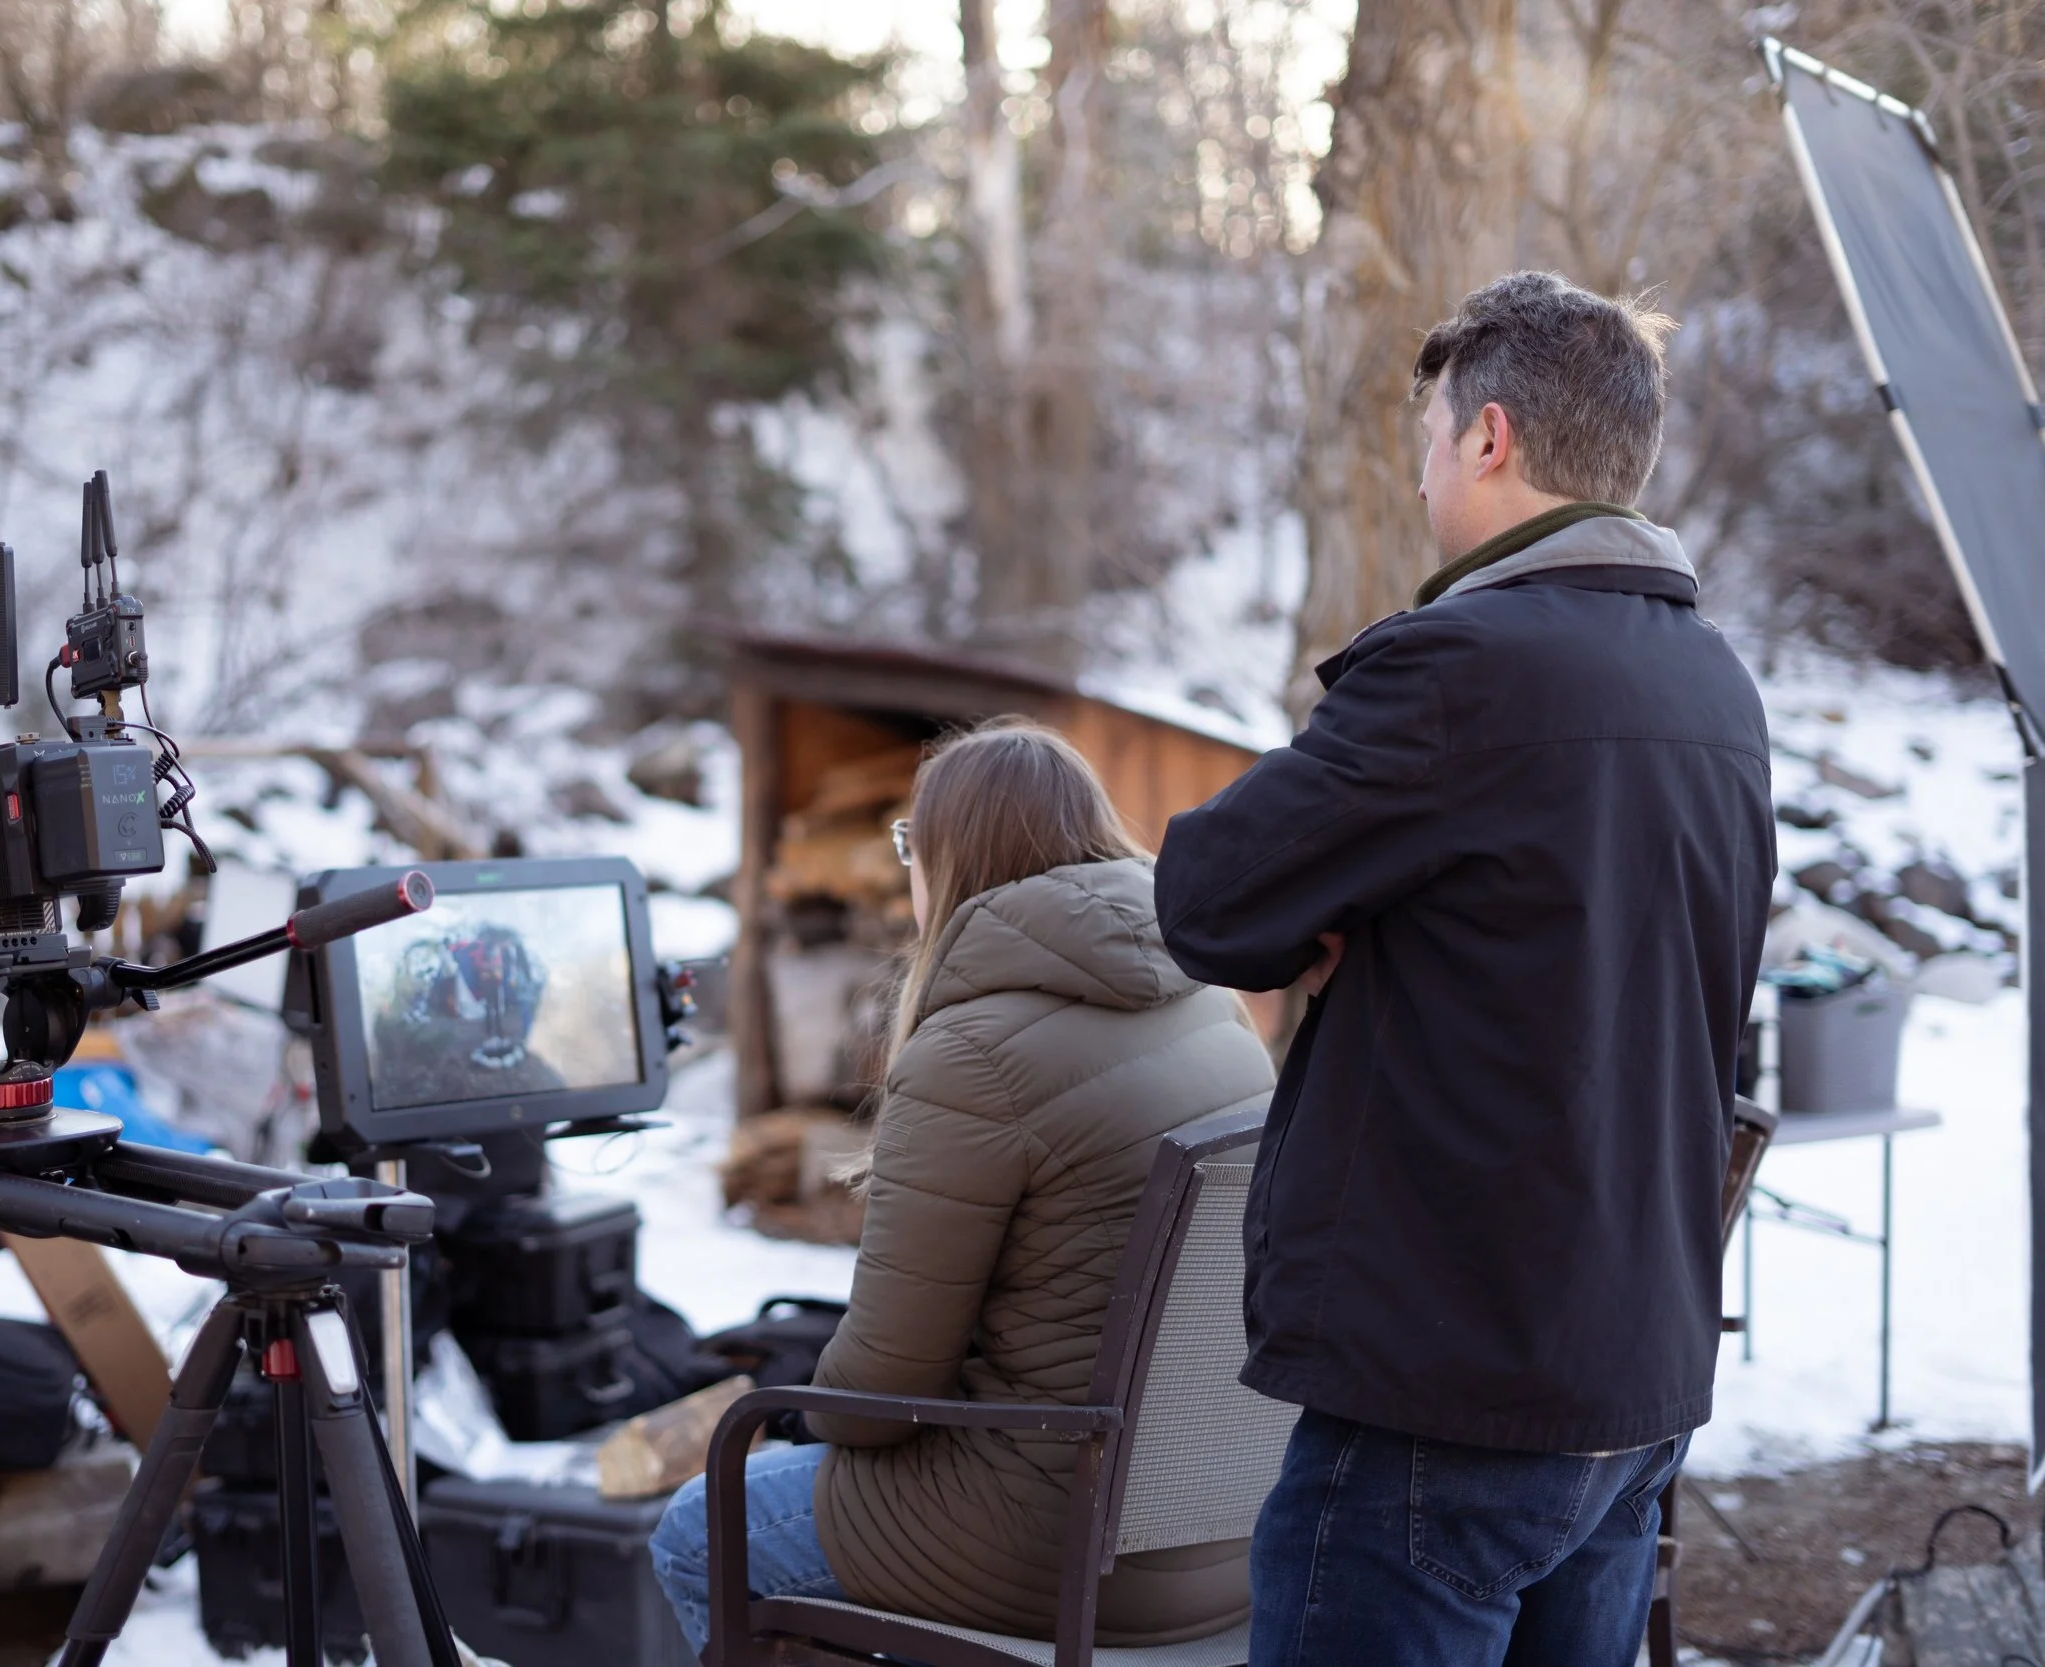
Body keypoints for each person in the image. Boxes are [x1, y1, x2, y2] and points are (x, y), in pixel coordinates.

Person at [1153, 271, 1775, 1666]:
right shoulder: (1714, 687)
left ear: (1488, 438)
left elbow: (1203, 895)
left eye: (1431, 438)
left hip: (1450, 1385)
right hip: (1634, 1383)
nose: (1423, 474)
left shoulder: (1462, 668)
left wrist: (1334, 925)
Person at [651, 720, 1276, 1656]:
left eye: (909, 839)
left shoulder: (974, 1056)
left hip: (1047, 1542)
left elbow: (887, 1382)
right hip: (1218, 1531)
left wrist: (803, 1411)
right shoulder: (1211, 1005)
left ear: (946, 855)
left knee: (702, 1528)